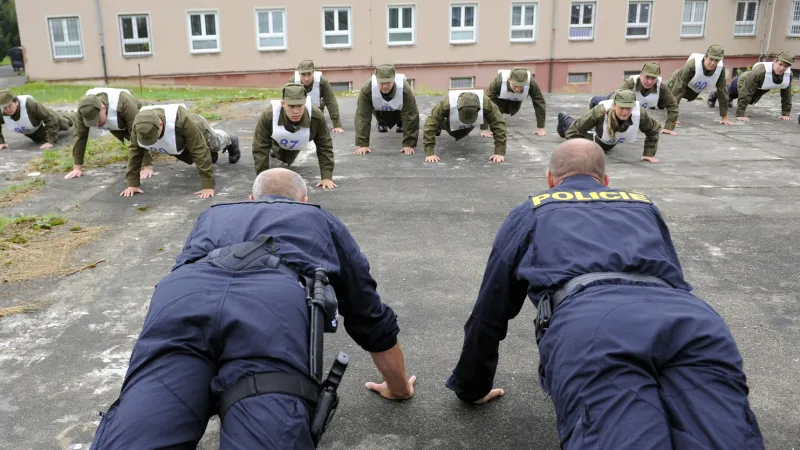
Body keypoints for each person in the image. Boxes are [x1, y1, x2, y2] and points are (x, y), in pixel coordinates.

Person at [445, 139, 764, 450]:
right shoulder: (643, 205)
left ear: (550, 180)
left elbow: (490, 313)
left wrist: (471, 387)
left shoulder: (533, 210)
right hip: (692, 321)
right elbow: (672, 273)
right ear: (606, 180)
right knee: (724, 433)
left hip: (594, 326)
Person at [89, 168, 416, 450]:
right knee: (266, 412)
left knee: (147, 411)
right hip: (271, 304)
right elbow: (368, 315)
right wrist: (399, 389)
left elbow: (182, 267)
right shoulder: (319, 218)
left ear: (251, 198)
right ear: (303, 200)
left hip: (185, 294)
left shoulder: (214, 214)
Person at [122, 104, 240, 199]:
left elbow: (199, 150)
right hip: (181, 139)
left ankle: (230, 139)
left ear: (161, 124)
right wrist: (132, 184)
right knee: (203, 156)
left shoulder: (182, 120)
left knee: (215, 144)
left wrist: (208, 186)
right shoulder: (139, 124)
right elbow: (135, 152)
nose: (152, 141)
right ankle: (212, 154)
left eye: (153, 137)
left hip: (197, 127)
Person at [253, 83, 337, 190]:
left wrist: (326, 176)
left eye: (300, 106)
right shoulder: (269, 115)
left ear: (305, 103)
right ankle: (275, 150)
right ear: (283, 103)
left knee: (287, 157)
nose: (296, 111)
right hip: (277, 140)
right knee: (276, 152)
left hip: (298, 142)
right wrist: (263, 180)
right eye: (291, 106)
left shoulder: (316, 116)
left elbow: (324, 144)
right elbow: (260, 146)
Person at [66, 88, 154, 180]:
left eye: (97, 119)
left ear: (103, 108)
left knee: (152, 136)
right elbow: (79, 136)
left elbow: (137, 132)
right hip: (120, 123)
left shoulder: (124, 103)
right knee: (135, 144)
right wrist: (77, 167)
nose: (96, 124)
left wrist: (147, 166)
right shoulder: (84, 108)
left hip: (142, 111)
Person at [557, 89, 662, 164]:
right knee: (589, 144)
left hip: (611, 137)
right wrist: (577, 152)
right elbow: (574, 130)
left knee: (604, 148)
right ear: (614, 105)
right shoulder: (600, 111)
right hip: (599, 127)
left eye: (628, 108)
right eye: (621, 108)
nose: (625, 112)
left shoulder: (640, 114)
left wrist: (649, 153)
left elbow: (653, 129)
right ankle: (565, 119)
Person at [589, 62, 678, 136]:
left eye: (653, 78)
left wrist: (669, 127)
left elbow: (672, 105)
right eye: (647, 77)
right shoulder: (631, 82)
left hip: (633, 107)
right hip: (619, 100)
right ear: (641, 75)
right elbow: (614, 99)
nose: (650, 82)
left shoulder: (661, 86)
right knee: (600, 102)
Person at [421, 90, 507, 163]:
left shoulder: (486, 103)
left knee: (468, 128)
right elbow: (430, 123)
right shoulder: (446, 103)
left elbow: (498, 124)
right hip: (449, 121)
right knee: (438, 122)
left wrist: (499, 152)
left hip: (470, 125)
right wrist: (430, 152)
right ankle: (441, 125)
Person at [354, 64, 420, 156]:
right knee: (368, 110)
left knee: (407, 115)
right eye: (382, 83)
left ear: (394, 79)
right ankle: (381, 121)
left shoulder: (405, 89)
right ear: (376, 80)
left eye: (388, 82)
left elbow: (411, 115)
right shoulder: (367, 88)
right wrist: (363, 144)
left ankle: (400, 123)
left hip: (400, 111)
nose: (385, 86)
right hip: (379, 110)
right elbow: (362, 115)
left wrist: (409, 144)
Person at [708, 51, 794, 122]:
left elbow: (787, 95)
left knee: (747, 98)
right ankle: (715, 94)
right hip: (743, 80)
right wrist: (740, 114)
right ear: (775, 61)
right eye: (780, 64)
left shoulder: (788, 75)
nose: (782, 68)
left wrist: (785, 113)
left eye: (785, 66)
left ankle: (729, 99)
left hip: (760, 87)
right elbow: (747, 91)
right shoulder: (760, 71)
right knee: (730, 94)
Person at [665, 45, 732, 126]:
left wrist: (724, 117)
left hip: (692, 89)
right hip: (675, 82)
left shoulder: (720, 70)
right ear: (705, 57)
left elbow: (722, 91)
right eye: (711, 59)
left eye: (716, 60)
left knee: (690, 96)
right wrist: (672, 118)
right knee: (663, 98)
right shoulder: (692, 65)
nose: (713, 63)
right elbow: (679, 88)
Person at [481, 68, 547, 138]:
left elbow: (539, 102)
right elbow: (486, 102)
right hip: (499, 100)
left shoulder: (531, 83)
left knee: (513, 109)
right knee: (497, 114)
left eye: (521, 87)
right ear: (509, 79)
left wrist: (541, 128)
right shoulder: (498, 81)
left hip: (516, 101)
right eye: (515, 86)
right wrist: (484, 129)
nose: (517, 89)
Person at [0, 89, 73, 151]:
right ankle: (60, 112)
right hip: (34, 129)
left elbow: (50, 119)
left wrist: (51, 141)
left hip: (44, 117)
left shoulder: (30, 104)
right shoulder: (2, 111)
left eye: (9, 106)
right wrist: (1, 142)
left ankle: (74, 114)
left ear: (16, 102)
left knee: (66, 123)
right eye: (5, 108)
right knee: (41, 140)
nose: (7, 110)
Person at [291, 60, 343, 133]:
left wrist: (337, 124)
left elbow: (330, 101)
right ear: (299, 74)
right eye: (303, 75)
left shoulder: (322, 81)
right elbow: (286, 103)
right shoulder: (292, 82)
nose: (306, 79)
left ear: (313, 73)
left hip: (317, 112)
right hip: (298, 112)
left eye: (309, 74)